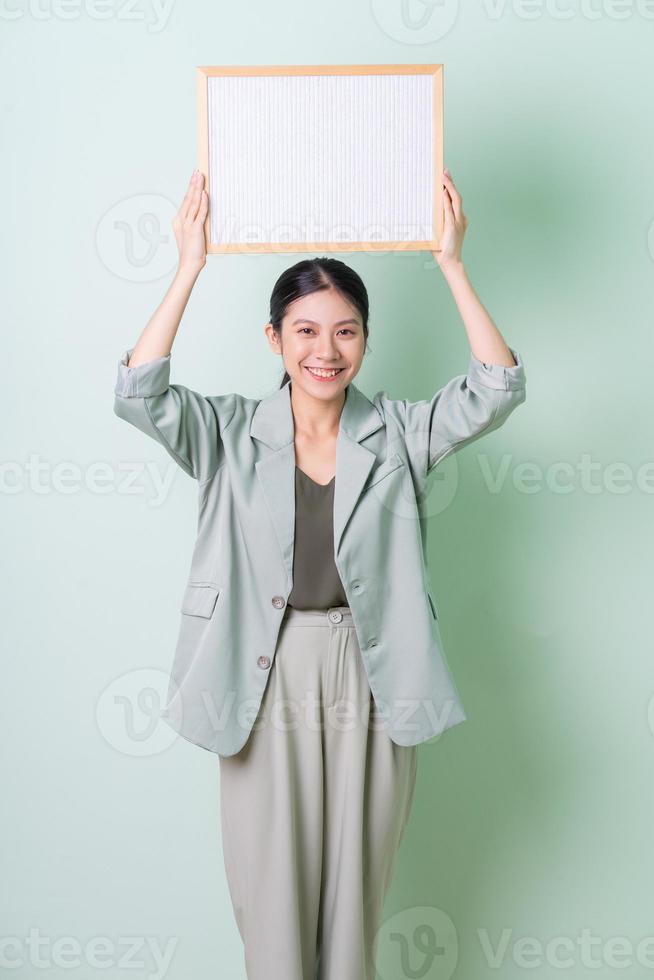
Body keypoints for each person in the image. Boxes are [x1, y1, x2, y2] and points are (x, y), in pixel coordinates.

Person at [113, 167, 526, 980]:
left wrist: (452, 264)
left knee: (354, 897)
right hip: (259, 669)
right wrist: (189, 263)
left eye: (345, 332)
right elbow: (138, 391)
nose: (325, 351)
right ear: (275, 340)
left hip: (372, 671)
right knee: (269, 890)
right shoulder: (228, 432)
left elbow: (497, 387)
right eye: (305, 331)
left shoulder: (400, 433)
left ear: (365, 340)